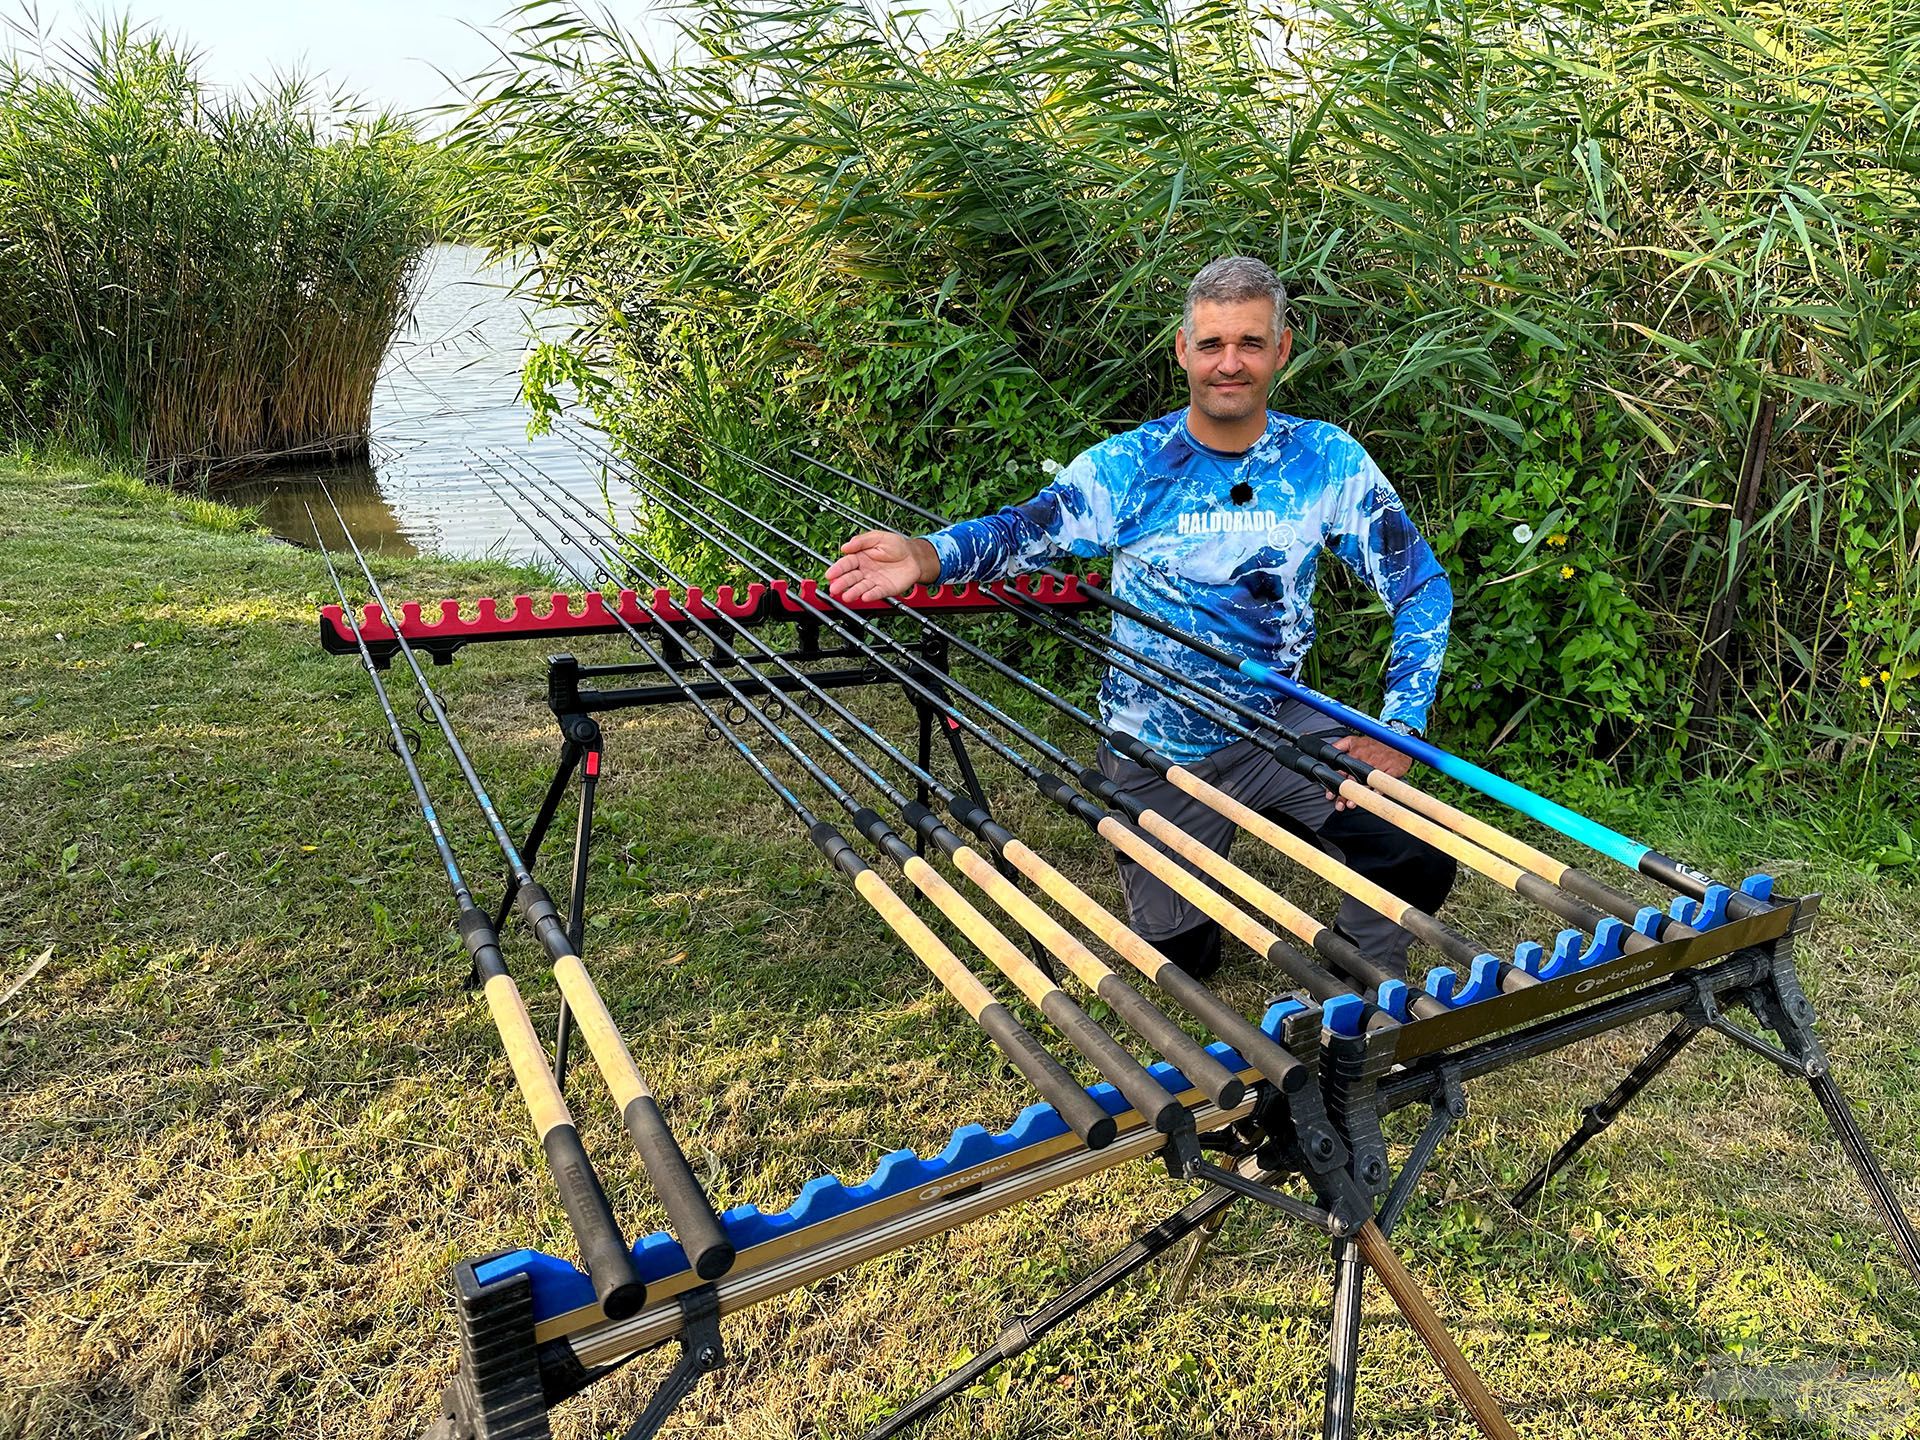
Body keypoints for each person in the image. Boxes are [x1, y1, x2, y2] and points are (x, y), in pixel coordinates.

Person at [825, 256, 1456, 980]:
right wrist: (927, 553)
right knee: (1183, 959)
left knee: (1415, 854)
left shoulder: (1324, 459)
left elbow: (1421, 588)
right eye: (1212, 344)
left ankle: (1358, 990)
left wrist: (1398, 727)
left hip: (1276, 725)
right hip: (1155, 749)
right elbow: (1025, 530)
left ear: (1282, 350)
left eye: (1251, 343)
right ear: (1182, 349)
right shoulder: (1130, 465)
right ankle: (1191, 896)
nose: (1230, 363)